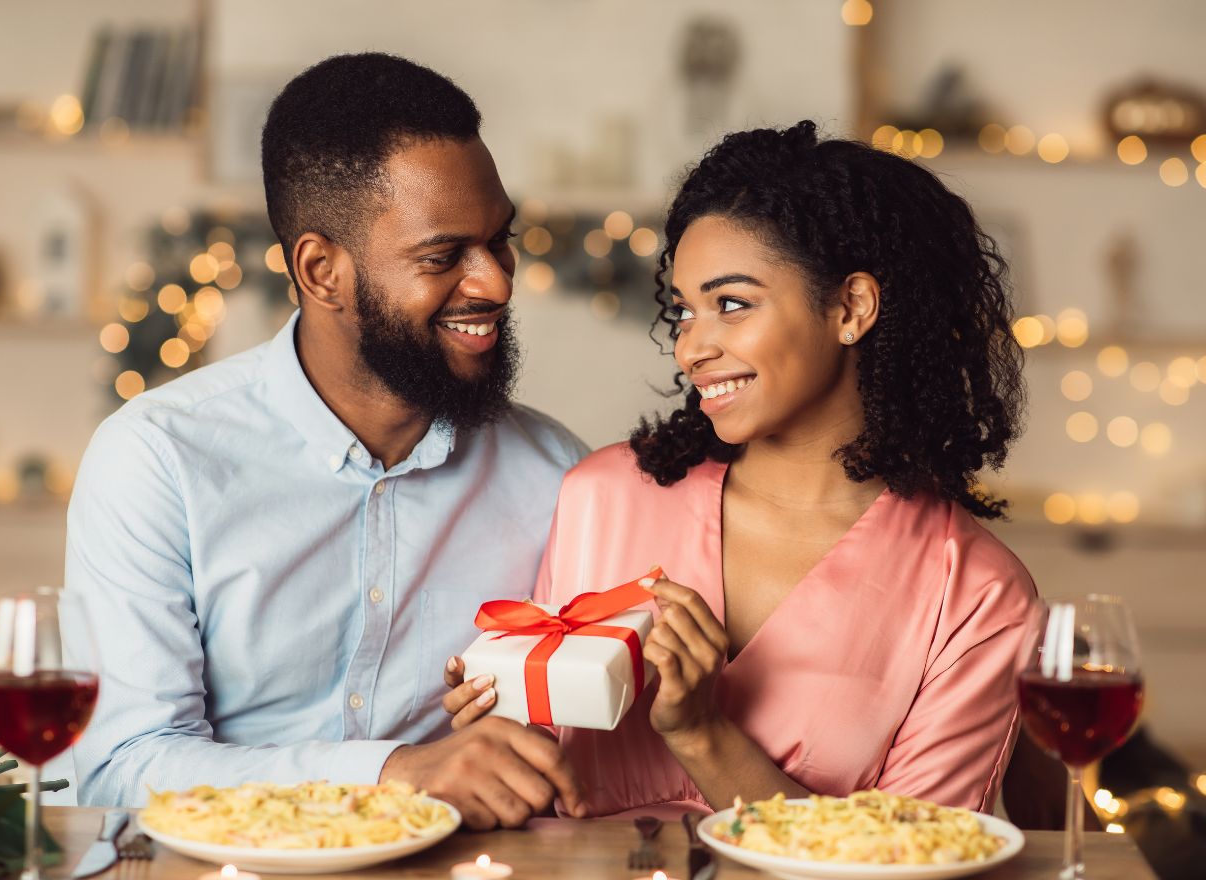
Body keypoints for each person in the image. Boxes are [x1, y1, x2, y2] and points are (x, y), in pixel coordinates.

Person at [446, 120, 1035, 817]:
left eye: (731, 305)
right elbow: (542, 777)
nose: (690, 349)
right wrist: (499, 721)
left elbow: (913, 855)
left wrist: (704, 734)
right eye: (684, 312)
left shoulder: (976, 596)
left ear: (851, 308)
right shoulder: (605, 497)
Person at [63, 53, 589, 828]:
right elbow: (122, 767)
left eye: (499, 241)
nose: (496, 283)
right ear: (321, 271)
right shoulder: (156, 459)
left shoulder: (559, 475)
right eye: (443, 257)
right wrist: (393, 774)